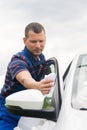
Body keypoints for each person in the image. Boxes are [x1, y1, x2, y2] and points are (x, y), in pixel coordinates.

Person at [0, 22, 54, 130]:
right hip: (9, 112)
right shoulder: (18, 60)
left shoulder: (41, 58)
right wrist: (37, 85)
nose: (38, 46)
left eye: (41, 41)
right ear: (25, 41)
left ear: (45, 39)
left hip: (30, 111)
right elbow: (25, 79)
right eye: (33, 41)